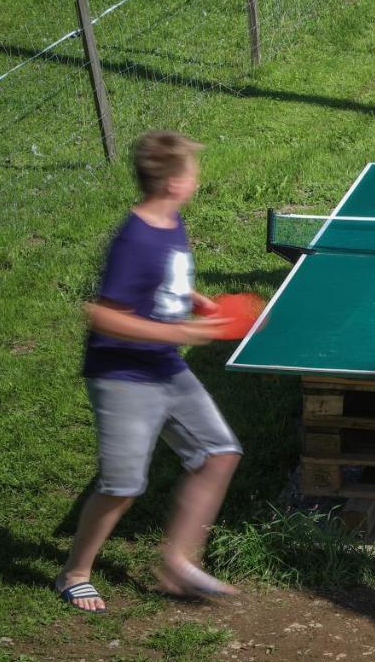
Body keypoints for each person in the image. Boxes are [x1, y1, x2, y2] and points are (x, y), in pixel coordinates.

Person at [55, 131, 243, 612]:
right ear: (176, 182)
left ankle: (178, 562)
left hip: (163, 366)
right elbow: (102, 315)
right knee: (122, 486)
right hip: (122, 375)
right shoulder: (135, 238)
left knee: (219, 453)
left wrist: (192, 301)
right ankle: (74, 572)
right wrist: (180, 334)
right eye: (193, 172)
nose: (198, 179)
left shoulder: (169, 220)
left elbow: (165, 278)